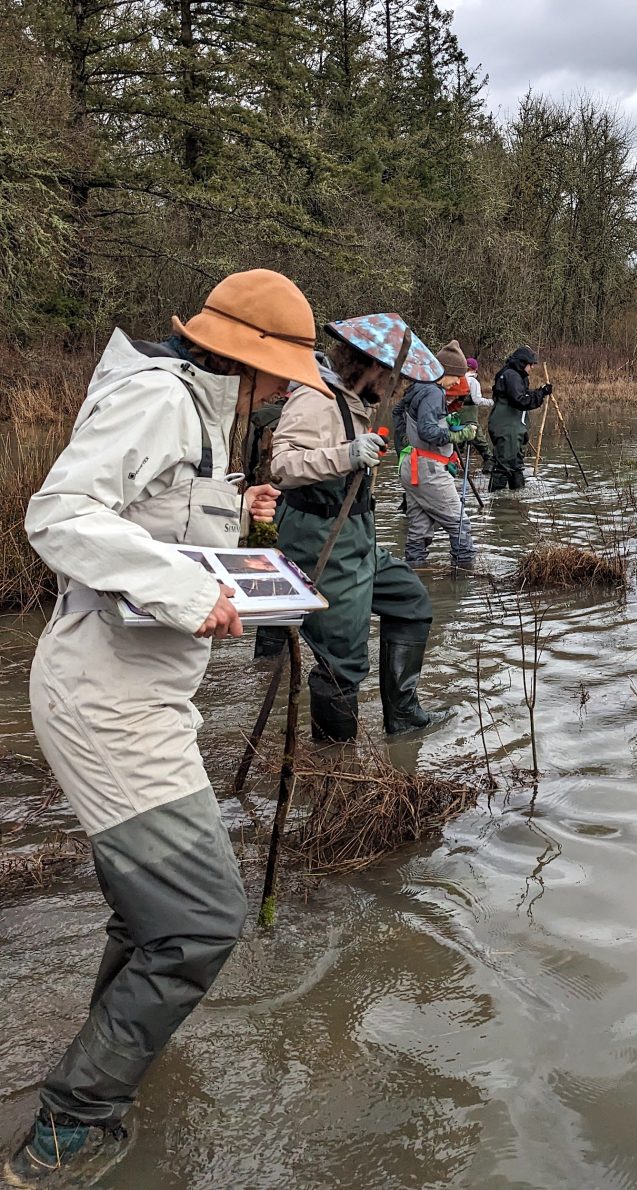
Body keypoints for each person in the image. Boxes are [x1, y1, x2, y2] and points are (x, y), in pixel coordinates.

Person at [5, 269, 330, 1186]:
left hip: (147, 698)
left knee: (156, 917)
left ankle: (106, 1068)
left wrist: (239, 525)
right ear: (246, 359)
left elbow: (150, 527)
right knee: (202, 923)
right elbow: (60, 514)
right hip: (106, 701)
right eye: (283, 372)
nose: (284, 390)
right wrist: (193, 587)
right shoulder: (160, 399)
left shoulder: (207, 417)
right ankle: (69, 1126)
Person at [270, 313, 447, 742]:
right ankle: (335, 761)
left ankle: (403, 718)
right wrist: (346, 455)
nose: (394, 388)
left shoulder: (353, 401)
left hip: (357, 538)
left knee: (409, 600)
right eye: (393, 378)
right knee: (342, 660)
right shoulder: (316, 398)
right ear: (372, 366)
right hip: (320, 541)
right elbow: (281, 466)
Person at [398, 339, 478, 570]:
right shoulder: (433, 391)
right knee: (460, 524)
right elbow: (427, 430)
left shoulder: (417, 387)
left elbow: (398, 414)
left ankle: (415, 574)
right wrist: (459, 435)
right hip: (429, 470)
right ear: (447, 371)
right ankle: (464, 580)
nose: (457, 382)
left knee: (419, 530)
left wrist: (446, 426)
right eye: (456, 376)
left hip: (413, 466)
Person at [487, 345, 552, 491]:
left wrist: (540, 392)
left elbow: (522, 395)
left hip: (511, 428)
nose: (532, 368)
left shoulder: (512, 375)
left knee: (515, 466)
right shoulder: (511, 375)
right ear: (522, 363)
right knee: (504, 466)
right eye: (531, 364)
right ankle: (496, 504)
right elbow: (521, 400)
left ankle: (516, 503)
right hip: (507, 428)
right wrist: (540, 394)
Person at [453, 357, 493, 471]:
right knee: (481, 442)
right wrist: (491, 402)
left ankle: (454, 469)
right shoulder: (473, 382)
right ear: (475, 369)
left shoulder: (457, 379)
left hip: (457, 417)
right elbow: (476, 400)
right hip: (470, 418)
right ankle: (489, 466)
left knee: (458, 444)